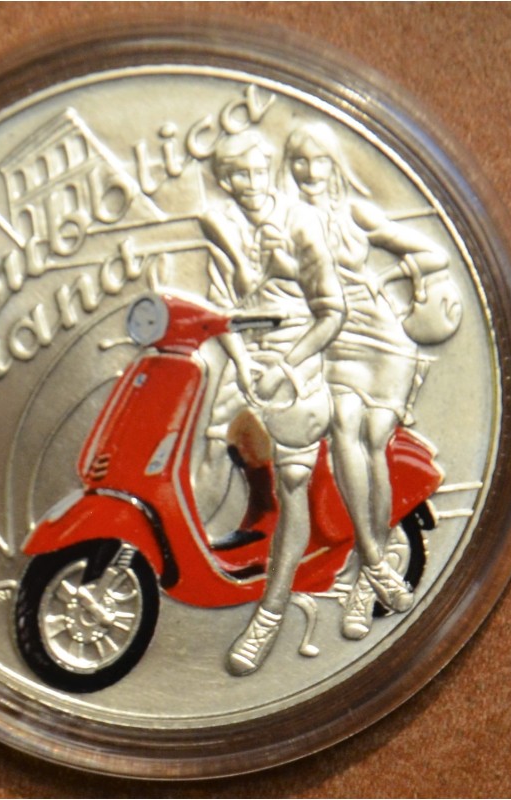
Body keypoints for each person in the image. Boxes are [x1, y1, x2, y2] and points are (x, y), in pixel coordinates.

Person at [282, 122, 450, 639]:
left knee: (375, 447)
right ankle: (376, 562)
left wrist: (389, 276)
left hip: (387, 342)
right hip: (338, 343)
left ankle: (362, 584)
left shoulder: (356, 213)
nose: (310, 171)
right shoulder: (290, 221)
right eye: (299, 162)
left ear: (334, 164)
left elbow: (435, 254)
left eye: (318, 160)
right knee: (343, 431)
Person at [199, 130, 345, 675]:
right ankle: (208, 561)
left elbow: (331, 311)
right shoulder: (219, 228)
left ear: (271, 172)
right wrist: (240, 362)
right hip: (245, 359)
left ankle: (270, 612)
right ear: (225, 180)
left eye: (259, 171)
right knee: (210, 451)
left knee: (292, 484)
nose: (251, 183)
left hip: (296, 362)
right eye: (238, 174)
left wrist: (287, 365)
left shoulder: (301, 222)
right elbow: (220, 310)